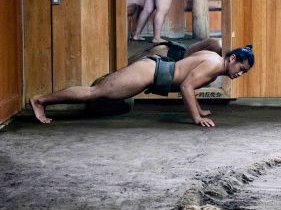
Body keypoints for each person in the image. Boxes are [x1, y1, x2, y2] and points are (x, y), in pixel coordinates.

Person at [29, 45, 255, 127]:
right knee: (95, 92)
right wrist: (196, 117)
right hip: (149, 72)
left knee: (100, 93)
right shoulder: (216, 65)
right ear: (232, 58)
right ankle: (41, 100)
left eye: (244, 72)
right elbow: (186, 86)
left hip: (154, 71)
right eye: (241, 68)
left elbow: (189, 78)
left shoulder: (214, 57)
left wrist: (199, 108)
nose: (240, 74)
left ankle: (43, 100)